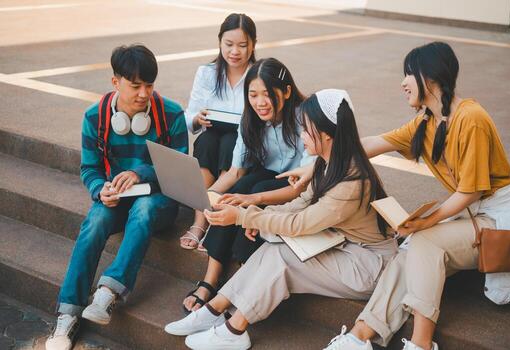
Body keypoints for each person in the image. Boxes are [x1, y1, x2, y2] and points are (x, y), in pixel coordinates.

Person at [285, 42, 510, 350]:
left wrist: (425, 222)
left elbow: (470, 193)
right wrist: (316, 164)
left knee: (424, 241)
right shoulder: (427, 121)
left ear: (429, 78)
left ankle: (421, 344)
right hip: (470, 216)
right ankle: (360, 335)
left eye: (408, 74)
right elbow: (375, 142)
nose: (403, 83)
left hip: (497, 219)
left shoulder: (471, 118)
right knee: (410, 250)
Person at [165, 88, 398, 350]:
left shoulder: (351, 183)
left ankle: (234, 329)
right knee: (274, 248)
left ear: (327, 135)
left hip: (370, 265)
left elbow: (300, 223)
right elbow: (300, 204)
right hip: (345, 245)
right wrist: (257, 216)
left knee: (284, 257)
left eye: (306, 130)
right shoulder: (329, 161)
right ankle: (214, 309)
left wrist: (244, 217)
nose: (301, 135)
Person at [45, 44, 189, 350]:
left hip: (158, 199)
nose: (143, 93)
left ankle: (108, 292)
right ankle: (67, 315)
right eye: (135, 86)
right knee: (94, 222)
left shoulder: (172, 114)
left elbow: (179, 170)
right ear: (115, 82)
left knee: (145, 209)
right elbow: (89, 169)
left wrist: (141, 173)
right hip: (117, 198)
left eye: (149, 85)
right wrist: (101, 189)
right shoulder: (94, 117)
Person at [177, 57, 314, 315]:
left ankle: (240, 286)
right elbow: (235, 171)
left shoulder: (304, 118)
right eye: (253, 94)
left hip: (300, 187)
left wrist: (252, 199)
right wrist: (210, 196)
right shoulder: (249, 118)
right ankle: (210, 279)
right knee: (235, 191)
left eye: (267, 94)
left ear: (285, 91)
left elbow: (299, 188)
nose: (260, 102)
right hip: (266, 178)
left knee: (251, 192)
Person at [181, 13, 257, 251]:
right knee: (206, 141)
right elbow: (189, 115)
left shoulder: (258, 74)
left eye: (242, 45)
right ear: (220, 42)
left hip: (244, 144)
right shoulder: (207, 72)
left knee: (229, 142)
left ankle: (216, 218)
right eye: (229, 44)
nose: (235, 51)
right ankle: (200, 221)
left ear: (253, 45)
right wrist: (197, 117)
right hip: (211, 138)